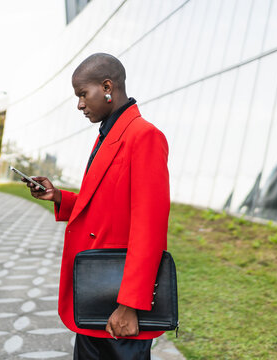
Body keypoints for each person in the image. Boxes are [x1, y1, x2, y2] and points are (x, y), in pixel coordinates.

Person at [25, 53, 170, 360]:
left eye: (82, 95)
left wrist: (130, 304)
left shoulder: (143, 136)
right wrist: (59, 197)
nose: (79, 104)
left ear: (107, 87)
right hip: (96, 291)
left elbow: (150, 227)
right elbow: (106, 204)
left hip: (120, 299)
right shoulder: (108, 135)